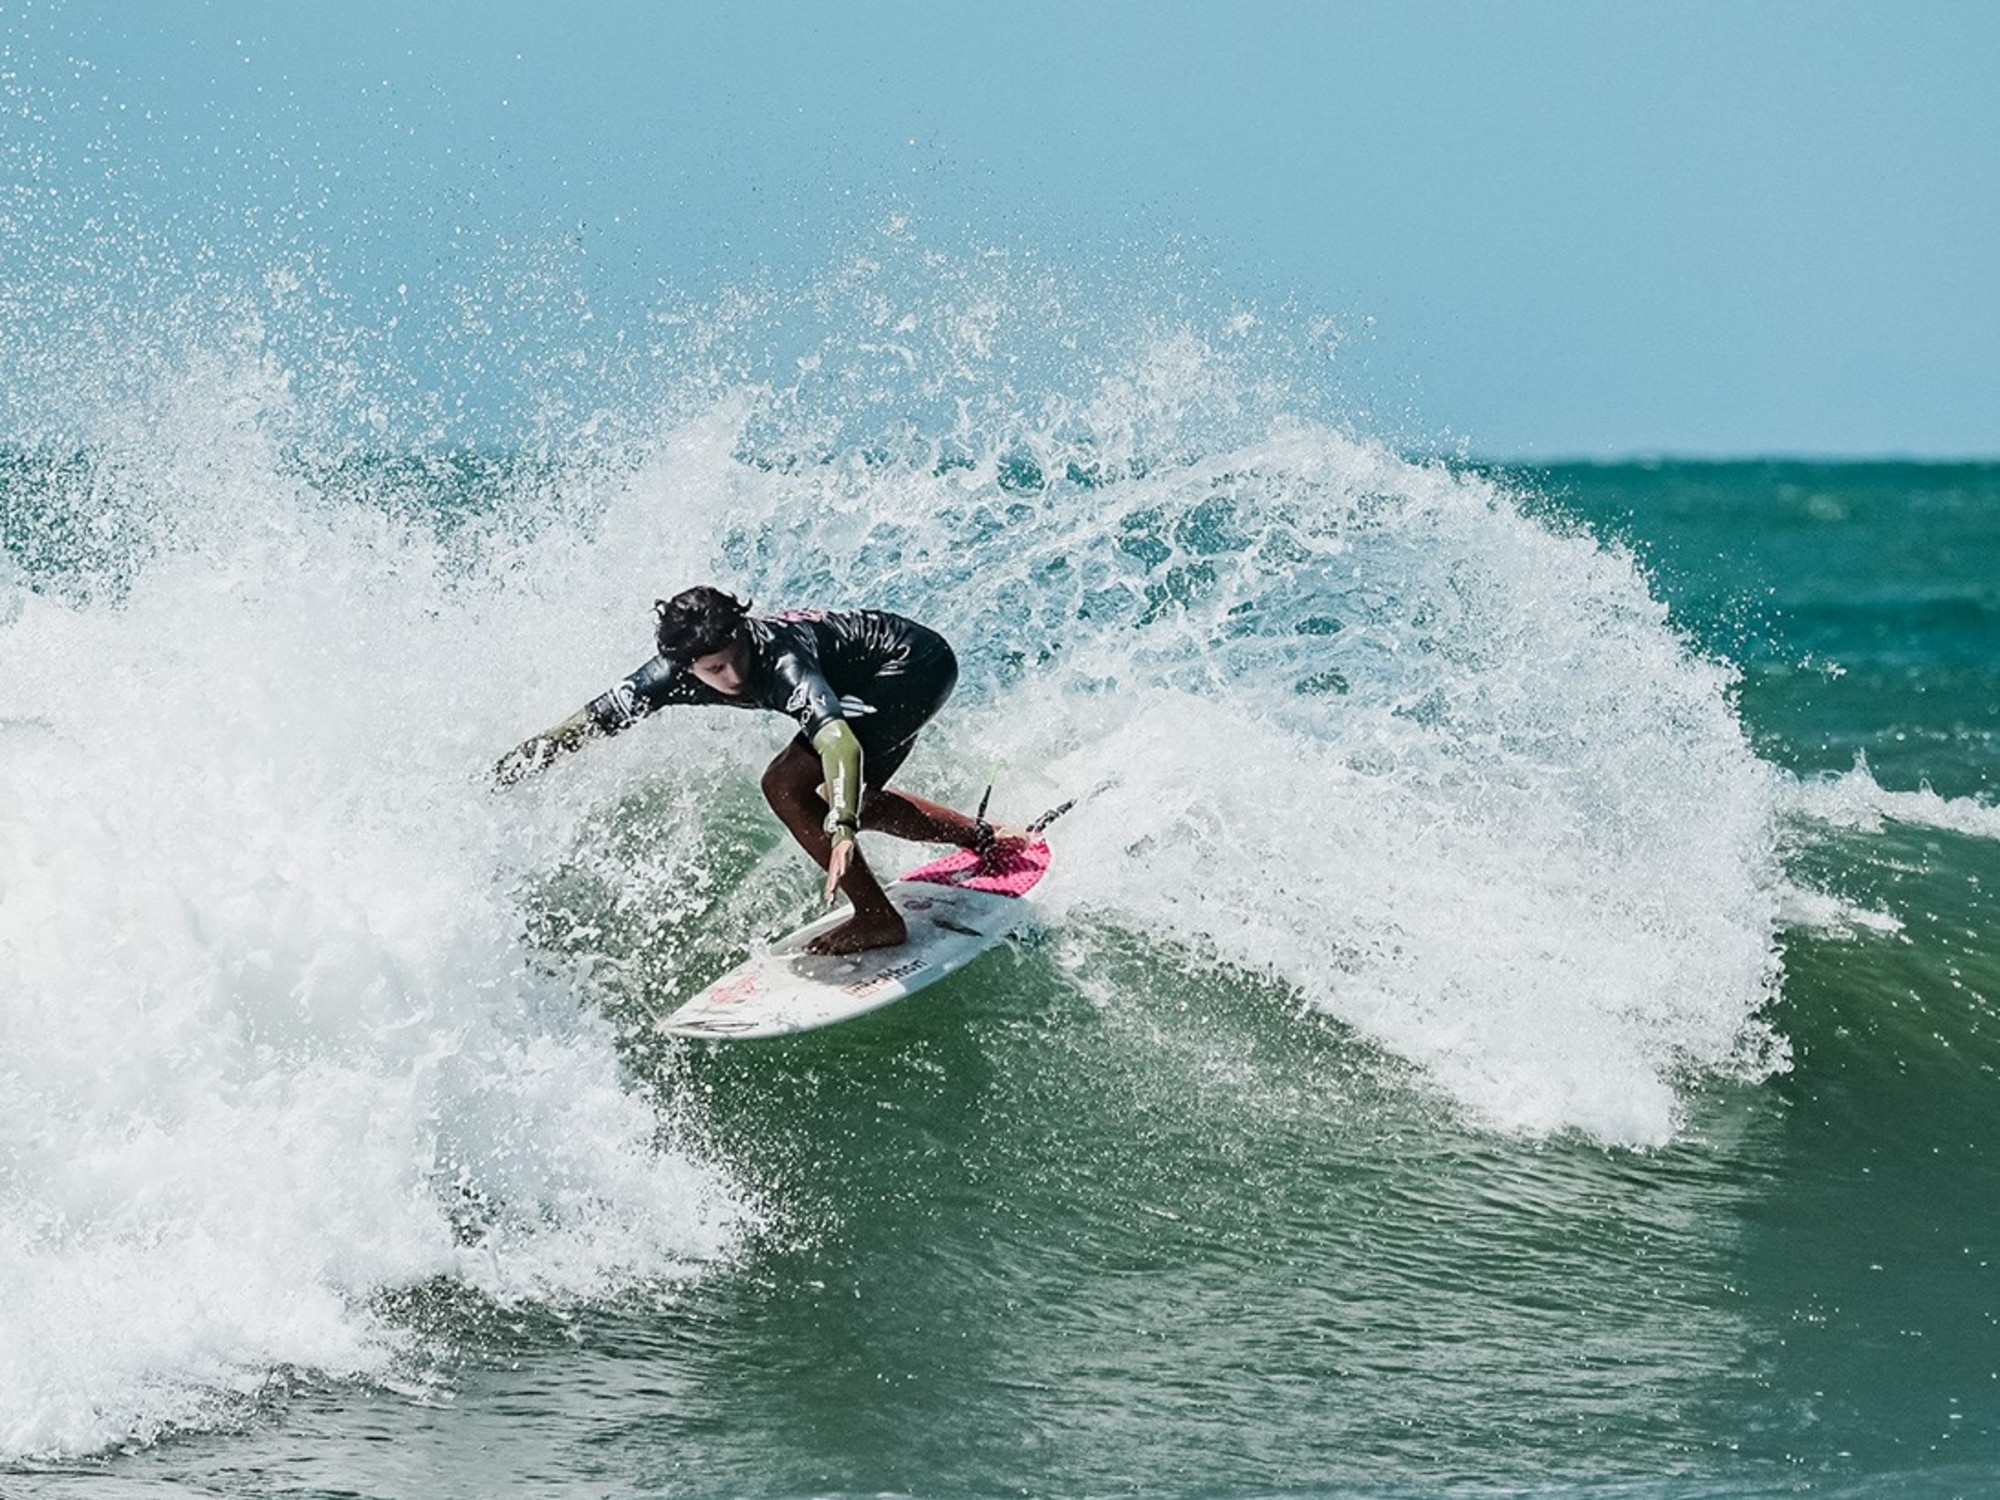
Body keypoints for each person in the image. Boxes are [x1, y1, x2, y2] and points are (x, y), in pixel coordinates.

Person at [494, 586, 1022, 955]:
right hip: (877, 673)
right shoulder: (669, 676)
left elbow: (836, 739)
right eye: (713, 670)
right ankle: (985, 839)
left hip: (908, 668)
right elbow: (593, 719)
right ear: (686, 666)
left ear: (743, 632)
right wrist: (510, 771)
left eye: (734, 657)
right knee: (851, 795)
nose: (732, 675)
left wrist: (841, 827)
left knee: (788, 786)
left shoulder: (780, 663)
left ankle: (878, 919)